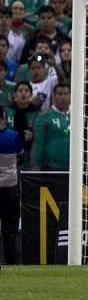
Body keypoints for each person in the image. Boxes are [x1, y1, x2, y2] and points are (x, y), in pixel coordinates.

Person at [0, 104, 24, 264]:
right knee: (10, 232)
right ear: (2, 118)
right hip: (9, 190)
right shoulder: (13, 136)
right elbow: (20, 157)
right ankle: (11, 266)